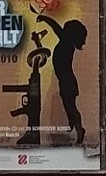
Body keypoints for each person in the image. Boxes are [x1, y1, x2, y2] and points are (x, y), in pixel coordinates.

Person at [36, 15, 87, 145]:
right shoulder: (66, 43)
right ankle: (73, 124)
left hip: (67, 81)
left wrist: (45, 18)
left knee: (71, 106)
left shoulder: (66, 43)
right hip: (65, 81)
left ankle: (79, 129)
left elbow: (55, 27)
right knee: (68, 105)